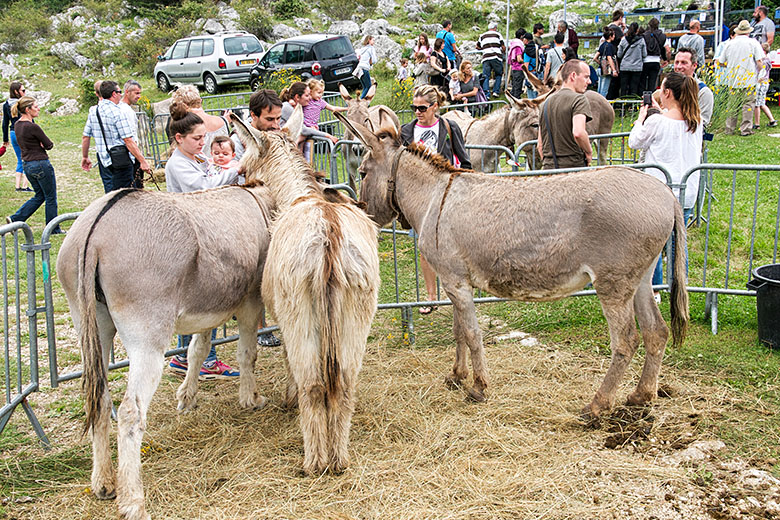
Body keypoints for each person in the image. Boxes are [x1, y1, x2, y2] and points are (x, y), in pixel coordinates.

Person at [165, 102, 239, 379]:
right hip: (190, 236)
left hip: (203, 232)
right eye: (197, 138)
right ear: (179, 139)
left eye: (203, 137)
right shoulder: (178, 164)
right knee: (200, 299)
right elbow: (206, 187)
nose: (202, 143)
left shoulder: (196, 159)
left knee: (200, 298)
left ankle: (189, 358)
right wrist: (237, 169)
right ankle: (200, 359)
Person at [628, 72, 703, 301]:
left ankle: (656, 288)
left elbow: (634, 141)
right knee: (678, 242)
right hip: (686, 190)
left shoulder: (656, 122)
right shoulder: (695, 122)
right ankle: (680, 287)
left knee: (654, 245)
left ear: (667, 92)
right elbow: (672, 123)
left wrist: (642, 119)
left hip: (658, 194)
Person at [399, 85, 471, 314]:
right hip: (418, 198)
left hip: (446, 196)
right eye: (414, 107)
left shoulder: (449, 127)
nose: (417, 112)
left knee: (453, 246)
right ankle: (431, 296)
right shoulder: (406, 131)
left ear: (435, 106)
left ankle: (458, 290)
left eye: (422, 108)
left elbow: (464, 160)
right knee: (425, 248)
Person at [230, 88, 283, 347]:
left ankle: (262, 325)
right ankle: (256, 328)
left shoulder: (275, 138)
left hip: (266, 209)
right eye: (269, 120)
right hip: (241, 212)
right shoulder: (237, 140)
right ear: (253, 117)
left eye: (278, 120)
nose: (275, 126)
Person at [5, 96, 63, 234]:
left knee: (39, 195)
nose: (38, 109)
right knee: (50, 197)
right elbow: (49, 144)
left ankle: (16, 219)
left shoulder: (17, 125)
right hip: (41, 164)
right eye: (36, 107)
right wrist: (41, 144)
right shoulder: (33, 127)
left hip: (27, 165)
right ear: (27, 109)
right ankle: (53, 228)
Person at [82, 80, 150, 192]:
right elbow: (128, 140)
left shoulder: (94, 111)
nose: (121, 94)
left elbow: (86, 136)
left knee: (110, 195)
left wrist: (85, 157)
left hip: (103, 159)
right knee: (125, 195)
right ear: (114, 94)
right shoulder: (118, 112)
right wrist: (142, 161)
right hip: (120, 159)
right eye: (119, 92)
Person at [537, 59, 593, 169]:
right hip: (573, 167)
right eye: (586, 77)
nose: (589, 81)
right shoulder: (579, 100)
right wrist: (589, 152)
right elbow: (578, 132)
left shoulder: (545, 103)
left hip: (548, 169)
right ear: (573, 76)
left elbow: (540, 145)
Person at [717, 20, 764, 136]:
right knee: (748, 104)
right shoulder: (753, 43)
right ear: (748, 32)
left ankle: (729, 128)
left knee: (732, 105)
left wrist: (732, 65)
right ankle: (746, 129)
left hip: (733, 79)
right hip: (749, 78)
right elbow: (759, 61)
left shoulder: (729, 44)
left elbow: (721, 61)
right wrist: (759, 72)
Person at [231, 88, 283, 160]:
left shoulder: (280, 134)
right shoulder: (237, 142)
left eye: (278, 118)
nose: (276, 125)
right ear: (253, 115)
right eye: (269, 119)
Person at [674, 47, 714, 128]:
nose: (678, 66)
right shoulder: (668, 87)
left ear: (694, 65)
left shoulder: (703, 92)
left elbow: (703, 123)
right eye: (676, 62)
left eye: (683, 63)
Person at [301, 79, 346, 152]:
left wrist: (347, 108)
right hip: (305, 127)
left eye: (322, 93)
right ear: (311, 91)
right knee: (301, 147)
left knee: (309, 148)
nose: (321, 95)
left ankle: (309, 161)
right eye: (319, 92)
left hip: (313, 128)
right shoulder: (306, 101)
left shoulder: (320, 102)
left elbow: (333, 108)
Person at [2, 81, 31, 192]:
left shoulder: (6, 104)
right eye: (23, 90)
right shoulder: (22, 104)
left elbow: (5, 123)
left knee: (20, 159)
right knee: (28, 158)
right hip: (23, 132)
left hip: (13, 133)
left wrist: (5, 139)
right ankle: (25, 186)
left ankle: (17, 186)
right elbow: (29, 120)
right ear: (16, 91)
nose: (24, 92)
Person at [118, 80, 145, 188]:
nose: (139, 96)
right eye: (136, 93)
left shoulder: (123, 108)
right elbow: (129, 137)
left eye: (140, 93)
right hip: (131, 155)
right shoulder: (125, 111)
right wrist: (140, 158)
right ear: (127, 92)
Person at [476, 21, 506, 98]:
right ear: (495, 28)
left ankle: (486, 94)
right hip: (496, 57)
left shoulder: (482, 35)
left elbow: (477, 46)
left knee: (486, 76)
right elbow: (503, 46)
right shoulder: (498, 35)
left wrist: (484, 48)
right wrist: (503, 51)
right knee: (498, 74)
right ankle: (496, 91)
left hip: (486, 57)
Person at [617, 22, 647, 97]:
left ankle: (623, 103)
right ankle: (632, 105)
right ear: (637, 30)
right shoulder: (641, 41)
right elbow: (644, 54)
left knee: (623, 87)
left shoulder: (623, 40)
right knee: (634, 87)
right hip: (637, 67)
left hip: (624, 67)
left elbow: (619, 55)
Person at [754, 42, 778, 129]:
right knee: (762, 103)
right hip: (765, 83)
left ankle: (757, 124)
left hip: (760, 83)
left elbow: (760, 71)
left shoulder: (763, 61)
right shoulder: (768, 60)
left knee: (756, 104)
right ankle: (772, 120)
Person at [641, 18, 667, 92]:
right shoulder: (662, 36)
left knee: (643, 82)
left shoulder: (644, 35)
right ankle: (651, 99)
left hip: (645, 61)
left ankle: (642, 99)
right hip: (656, 61)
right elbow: (664, 49)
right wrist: (665, 59)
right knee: (652, 83)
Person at [607, 10, 626, 100]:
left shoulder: (609, 26)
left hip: (609, 54)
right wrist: (624, 29)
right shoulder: (617, 28)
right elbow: (623, 41)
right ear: (621, 18)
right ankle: (614, 98)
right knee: (616, 81)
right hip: (616, 56)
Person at [595, 27, 618, 98]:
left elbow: (595, 58)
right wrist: (613, 70)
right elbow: (609, 57)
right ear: (610, 36)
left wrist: (601, 64)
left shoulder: (603, 44)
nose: (614, 36)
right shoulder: (610, 46)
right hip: (606, 71)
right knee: (604, 90)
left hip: (600, 69)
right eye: (613, 35)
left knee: (599, 89)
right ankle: (601, 106)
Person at [356, 35, 377, 99]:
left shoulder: (363, 49)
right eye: (373, 40)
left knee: (365, 87)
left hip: (359, 68)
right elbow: (374, 60)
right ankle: (360, 102)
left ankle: (363, 102)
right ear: (369, 40)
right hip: (365, 69)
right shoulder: (371, 48)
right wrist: (371, 62)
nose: (374, 42)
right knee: (369, 87)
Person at [508, 29, 526, 98]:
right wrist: (525, 62)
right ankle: (516, 103)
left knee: (514, 86)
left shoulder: (514, 43)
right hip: (518, 68)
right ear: (522, 36)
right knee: (517, 88)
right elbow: (519, 59)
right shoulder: (518, 46)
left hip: (514, 68)